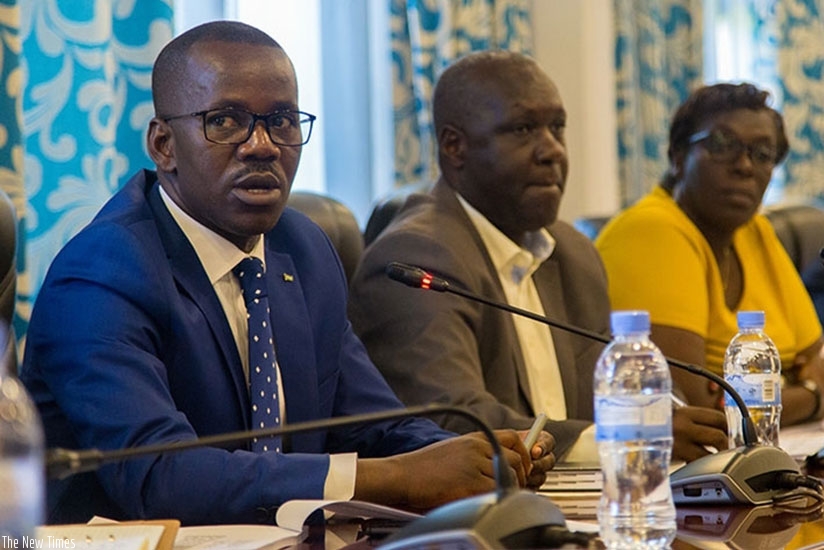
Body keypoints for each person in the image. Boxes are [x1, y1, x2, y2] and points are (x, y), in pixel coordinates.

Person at [19, 21, 552, 526]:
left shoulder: (302, 249)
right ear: (164, 145)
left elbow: (371, 423)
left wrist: (478, 457)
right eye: (224, 120)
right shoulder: (102, 275)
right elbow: (161, 475)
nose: (262, 144)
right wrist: (396, 478)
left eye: (281, 120)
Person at [348, 50, 728, 464]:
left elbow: (614, 391)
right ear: (454, 146)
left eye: (557, 128)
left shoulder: (572, 252)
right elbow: (453, 419)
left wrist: (663, 412)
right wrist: (621, 437)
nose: (552, 151)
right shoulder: (416, 258)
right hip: (474, 518)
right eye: (523, 129)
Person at [595, 82, 824, 426]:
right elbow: (698, 412)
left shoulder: (755, 231)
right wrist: (810, 394)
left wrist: (783, 394)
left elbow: (817, 360)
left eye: (763, 153)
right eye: (722, 145)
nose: (745, 166)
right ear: (677, 156)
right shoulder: (651, 229)